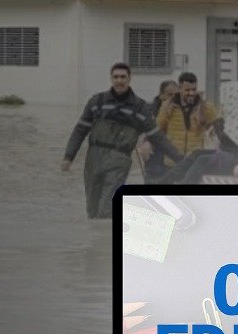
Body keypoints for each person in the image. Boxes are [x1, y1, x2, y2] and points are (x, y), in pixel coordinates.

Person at [60, 62, 183, 218]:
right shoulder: (96, 102)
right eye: (116, 77)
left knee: (107, 208)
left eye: (123, 77)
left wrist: (181, 160)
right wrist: (69, 156)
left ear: (129, 79)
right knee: (92, 209)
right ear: (111, 79)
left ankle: (107, 231)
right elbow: (80, 130)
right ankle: (97, 233)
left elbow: (158, 137)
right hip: (94, 159)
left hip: (119, 160)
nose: (119, 80)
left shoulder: (140, 107)